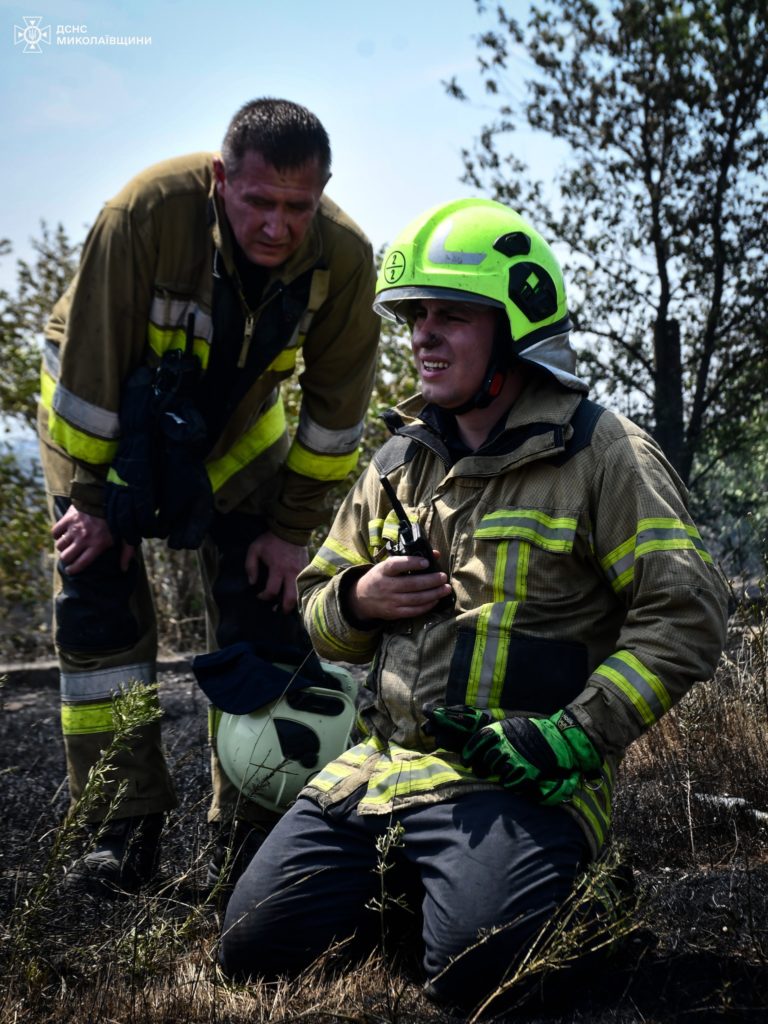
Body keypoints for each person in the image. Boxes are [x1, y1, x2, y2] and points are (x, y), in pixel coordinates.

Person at [219, 198, 729, 1012]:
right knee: (249, 954)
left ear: (517, 328)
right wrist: (359, 599)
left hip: (522, 780)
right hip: (378, 774)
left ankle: (586, 896)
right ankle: (434, 893)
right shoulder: (396, 460)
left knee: (477, 975)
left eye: (450, 315)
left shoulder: (601, 453)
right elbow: (316, 607)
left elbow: (689, 617)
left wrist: (570, 735)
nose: (422, 334)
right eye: (415, 315)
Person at [37, 97, 380, 894]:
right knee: (97, 600)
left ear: (323, 192)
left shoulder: (345, 258)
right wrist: (93, 501)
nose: (278, 225)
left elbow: (336, 420)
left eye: (299, 206)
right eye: (259, 201)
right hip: (104, 419)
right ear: (222, 178)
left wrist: (291, 533)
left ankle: (254, 826)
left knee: (267, 599)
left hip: (230, 428)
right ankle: (120, 832)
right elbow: (88, 373)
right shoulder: (146, 211)